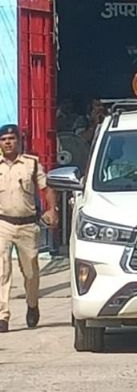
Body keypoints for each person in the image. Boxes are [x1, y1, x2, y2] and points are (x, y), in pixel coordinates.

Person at [0, 122, 58, 332]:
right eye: (3, 140)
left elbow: (46, 188)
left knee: (31, 273)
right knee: (2, 271)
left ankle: (32, 305)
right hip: (3, 223)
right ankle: (2, 316)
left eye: (11, 139)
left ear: (19, 141)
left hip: (27, 225)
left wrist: (52, 210)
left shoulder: (31, 164)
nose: (8, 143)